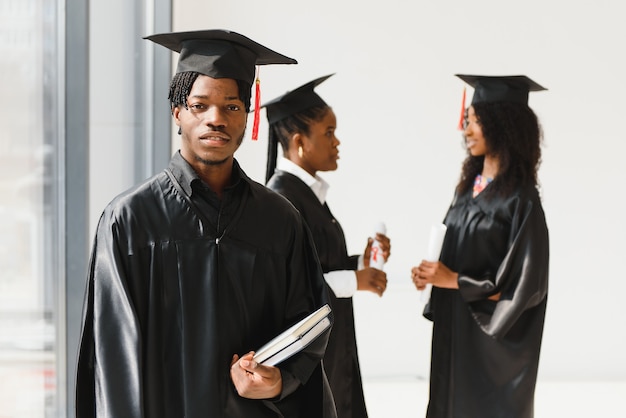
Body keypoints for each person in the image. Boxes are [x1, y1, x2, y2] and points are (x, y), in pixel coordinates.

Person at [75, 29, 338, 418]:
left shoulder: (280, 220)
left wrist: (279, 380)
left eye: (232, 107)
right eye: (200, 105)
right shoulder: (129, 221)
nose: (216, 119)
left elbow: (310, 325)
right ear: (177, 112)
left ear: (247, 117)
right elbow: (112, 359)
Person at [411, 74, 550, 418]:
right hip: (453, 327)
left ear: (503, 125)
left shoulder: (522, 200)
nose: (467, 130)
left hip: (490, 343)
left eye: (474, 121)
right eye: (467, 121)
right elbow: (451, 251)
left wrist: (454, 280)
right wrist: (431, 274)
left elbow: (525, 285)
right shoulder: (466, 189)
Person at [263, 74, 390, 418]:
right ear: (300, 142)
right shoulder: (282, 198)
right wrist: (355, 281)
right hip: (307, 354)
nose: (337, 143)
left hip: (332, 342)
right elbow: (291, 283)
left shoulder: (308, 195)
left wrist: (359, 263)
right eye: (329, 133)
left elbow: (318, 262)